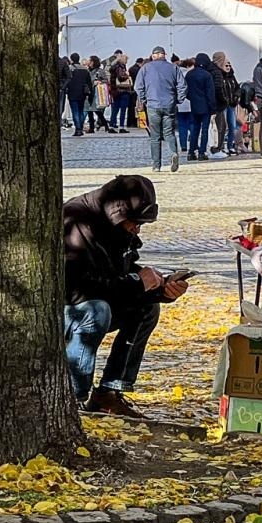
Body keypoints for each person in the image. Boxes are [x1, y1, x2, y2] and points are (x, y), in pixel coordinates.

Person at [62, 175, 189, 416]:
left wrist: (160, 290)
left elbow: (122, 272)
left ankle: (108, 393)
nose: (136, 229)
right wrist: (138, 285)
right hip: (62, 307)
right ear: (118, 213)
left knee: (147, 309)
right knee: (96, 311)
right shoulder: (77, 221)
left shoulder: (115, 226)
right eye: (134, 222)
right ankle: (73, 397)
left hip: (90, 299)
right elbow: (77, 291)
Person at [135, 46, 182, 172]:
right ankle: (173, 153)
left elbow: (138, 87)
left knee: (155, 136)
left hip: (153, 105)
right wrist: (178, 99)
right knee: (169, 132)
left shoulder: (145, 68)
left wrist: (145, 100)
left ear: (153, 55)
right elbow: (182, 86)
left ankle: (156, 165)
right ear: (164, 55)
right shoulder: (174, 68)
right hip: (169, 104)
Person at [184, 53, 217, 161]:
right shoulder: (207, 75)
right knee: (205, 130)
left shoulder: (189, 75)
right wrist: (213, 108)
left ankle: (191, 151)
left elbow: (186, 91)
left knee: (194, 129)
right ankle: (202, 152)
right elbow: (210, 93)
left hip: (193, 105)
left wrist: (192, 99)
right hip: (206, 107)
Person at [216, 53, 241, 153]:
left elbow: (237, 88)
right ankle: (222, 146)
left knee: (232, 125)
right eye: (226, 65)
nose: (228, 67)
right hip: (223, 104)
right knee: (222, 126)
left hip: (231, 104)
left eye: (230, 65)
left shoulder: (231, 77)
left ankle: (230, 145)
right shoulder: (220, 76)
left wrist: (236, 96)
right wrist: (225, 99)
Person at [64, 53, 93, 136]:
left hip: (72, 92)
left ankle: (78, 129)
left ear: (71, 60)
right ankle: (80, 127)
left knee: (75, 111)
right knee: (80, 111)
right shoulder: (85, 69)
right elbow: (89, 82)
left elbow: (67, 80)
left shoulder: (69, 69)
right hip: (82, 93)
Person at [108, 53, 134, 132]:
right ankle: (121, 127)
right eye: (126, 60)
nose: (126, 62)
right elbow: (120, 77)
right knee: (123, 109)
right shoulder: (120, 67)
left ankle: (111, 126)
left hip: (115, 91)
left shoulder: (114, 67)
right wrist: (127, 75)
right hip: (123, 90)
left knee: (115, 109)